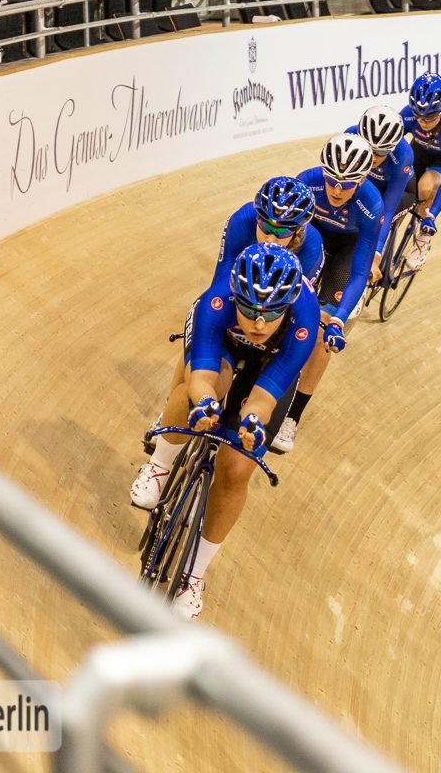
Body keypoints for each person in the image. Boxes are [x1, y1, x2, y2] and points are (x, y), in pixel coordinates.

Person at [129, 244, 320, 619]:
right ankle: (159, 467)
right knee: (191, 398)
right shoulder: (217, 301)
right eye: (249, 309)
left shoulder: (304, 321)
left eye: (271, 313)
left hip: (273, 362)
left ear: (288, 308)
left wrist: (252, 423)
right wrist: (204, 403)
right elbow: (200, 378)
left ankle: (194, 576)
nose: (259, 324)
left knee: (236, 468)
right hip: (223, 344)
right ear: (235, 297)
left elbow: (263, 400)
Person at [142, 176, 322, 443]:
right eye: (265, 226)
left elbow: (289, 304)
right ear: (257, 217)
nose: (270, 237)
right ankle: (172, 405)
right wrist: (216, 321)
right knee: (205, 334)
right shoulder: (242, 220)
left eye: (282, 232)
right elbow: (221, 282)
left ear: (297, 231)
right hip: (238, 296)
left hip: (269, 321)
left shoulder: (311, 247)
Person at [271, 134, 384, 454]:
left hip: (348, 250)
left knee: (322, 332)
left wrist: (338, 320)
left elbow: (359, 273)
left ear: (361, 180)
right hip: (311, 238)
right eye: (331, 180)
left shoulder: (371, 204)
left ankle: (292, 416)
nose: (336, 190)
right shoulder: (308, 182)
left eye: (345, 185)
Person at [399, 72, 441, 269]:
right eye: (418, 115)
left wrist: (432, 216)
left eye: (429, 117)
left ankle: (422, 241)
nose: (422, 122)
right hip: (419, 151)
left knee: (426, 187)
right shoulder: (407, 114)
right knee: (400, 194)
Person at [347, 106, 412, 285]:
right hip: (367, 184)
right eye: (370, 149)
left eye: (381, 152)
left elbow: (389, 209)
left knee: (376, 219)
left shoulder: (403, 154)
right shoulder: (351, 136)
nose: (374, 157)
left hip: (397, 190)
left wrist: (375, 254)